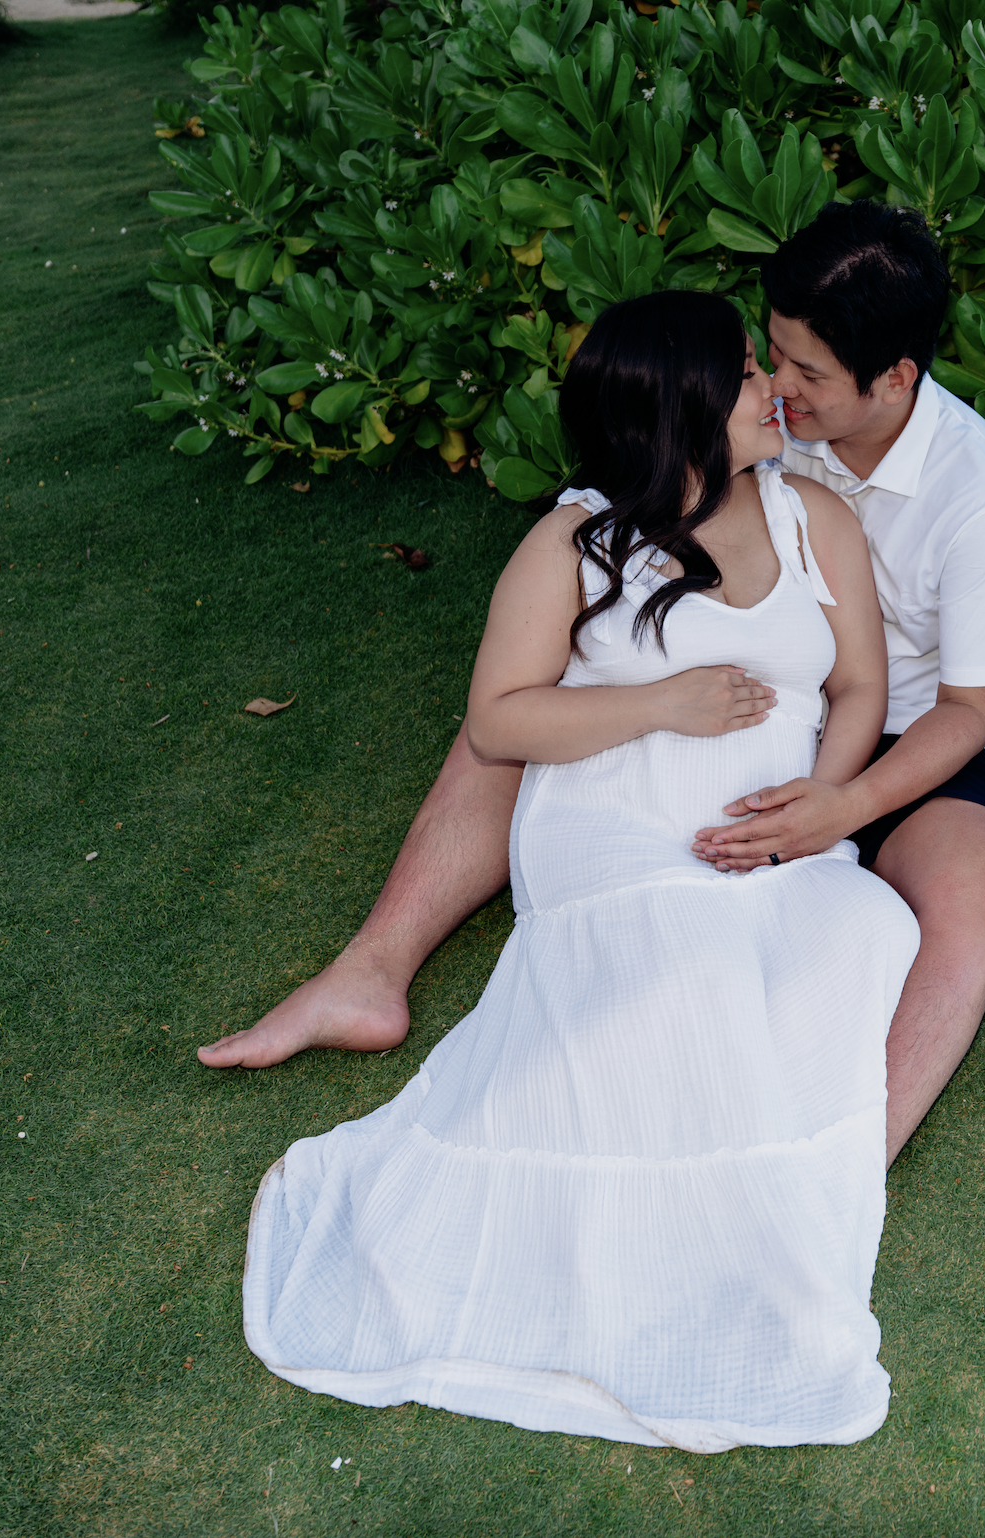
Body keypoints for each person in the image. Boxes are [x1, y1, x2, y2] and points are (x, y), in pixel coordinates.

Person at [200, 202, 985, 1167]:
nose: (780, 388)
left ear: (894, 378)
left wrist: (842, 804)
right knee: (515, 719)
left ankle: (846, 1158)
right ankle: (370, 969)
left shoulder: (979, 500)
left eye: (807, 373)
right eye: (770, 355)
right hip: (703, 697)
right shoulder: (747, 422)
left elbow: (970, 709)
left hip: (891, 733)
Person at [244, 291, 921, 1448]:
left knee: (856, 938)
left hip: (773, 824)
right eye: (748, 370)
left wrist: (823, 804)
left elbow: (857, 685)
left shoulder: (817, 518)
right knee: (682, 967)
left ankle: (707, 1231)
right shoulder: (576, 539)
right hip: (614, 817)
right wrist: (659, 698)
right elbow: (500, 719)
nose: (774, 386)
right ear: (684, 407)